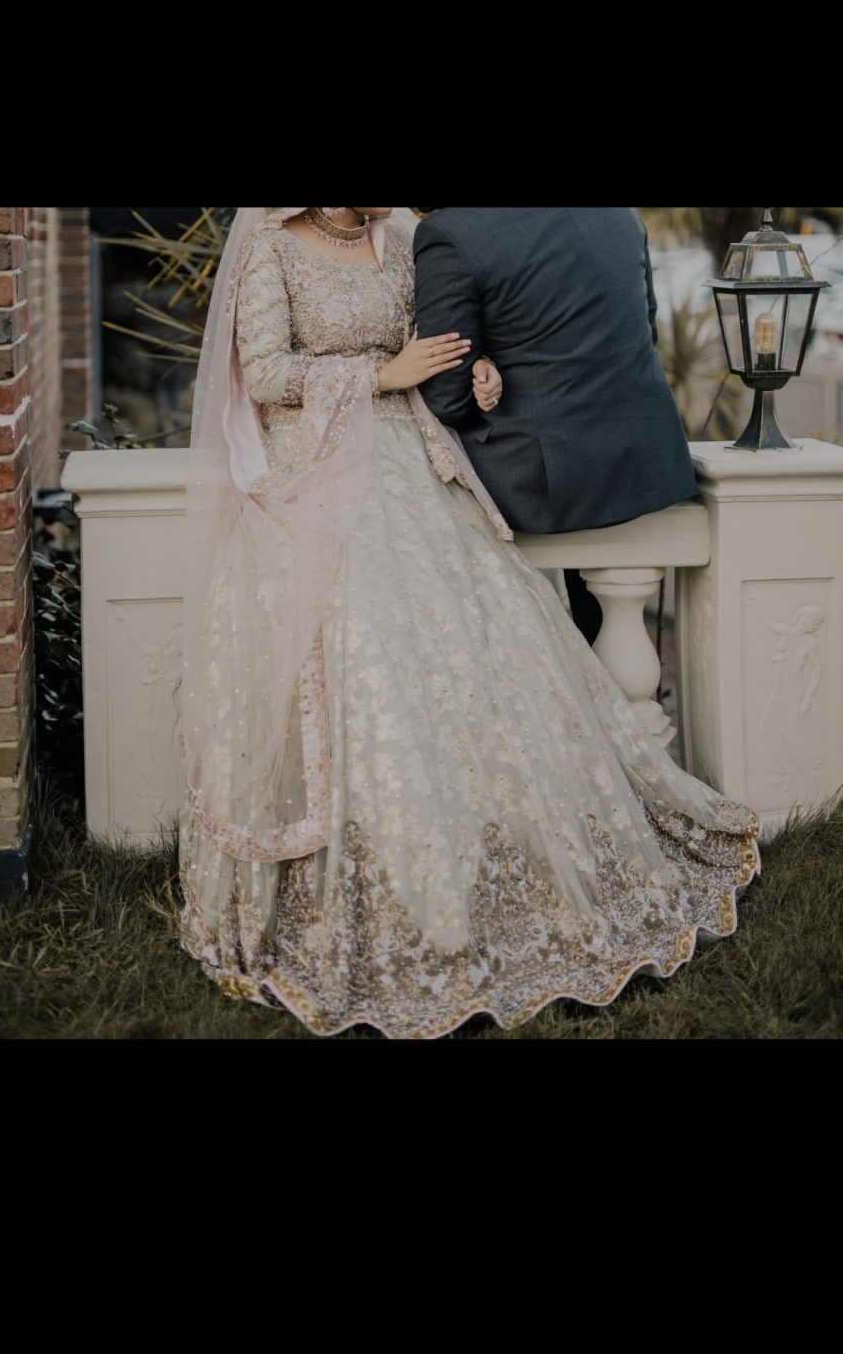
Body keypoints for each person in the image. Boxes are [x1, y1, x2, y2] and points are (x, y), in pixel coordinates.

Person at [178, 207, 759, 1041]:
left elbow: (452, 331)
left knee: (480, 651)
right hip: (320, 474)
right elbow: (265, 373)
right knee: (369, 661)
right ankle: (376, 877)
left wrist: (472, 365)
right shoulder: (271, 249)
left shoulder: (410, 237)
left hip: (416, 463)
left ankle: (497, 856)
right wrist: (379, 376)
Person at [413, 207, 698, 645]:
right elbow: (646, 331)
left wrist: (486, 376)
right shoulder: (621, 214)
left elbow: (447, 397)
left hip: (546, 476)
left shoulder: (449, 231)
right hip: (649, 459)